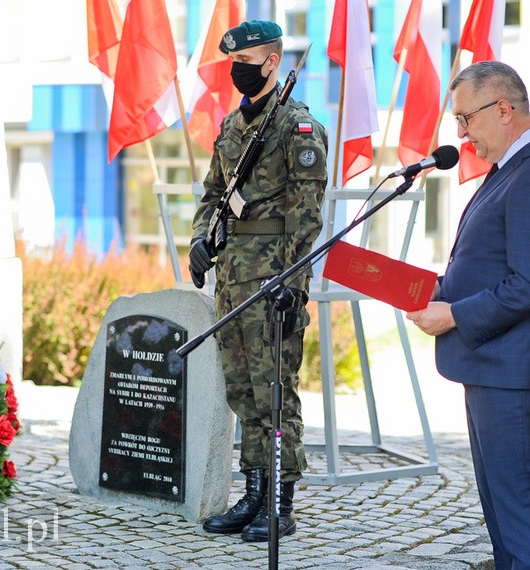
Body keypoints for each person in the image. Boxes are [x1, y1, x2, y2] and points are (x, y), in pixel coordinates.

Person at [406, 61, 530, 569]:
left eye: (465, 119)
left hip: (515, 369)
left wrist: (454, 315)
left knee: (521, 509)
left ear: (503, 108)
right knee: (503, 515)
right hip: (495, 364)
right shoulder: (515, 168)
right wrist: (432, 291)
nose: (461, 135)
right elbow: (490, 266)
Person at [188, 20, 327, 542]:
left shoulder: (298, 127)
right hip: (232, 279)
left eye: (246, 62)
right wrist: (202, 239)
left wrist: (294, 283)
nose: (236, 70)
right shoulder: (230, 127)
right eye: (233, 63)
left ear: (272, 62)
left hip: (274, 279)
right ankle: (253, 494)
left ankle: (281, 503)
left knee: (275, 390)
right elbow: (212, 194)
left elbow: (308, 213)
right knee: (244, 392)